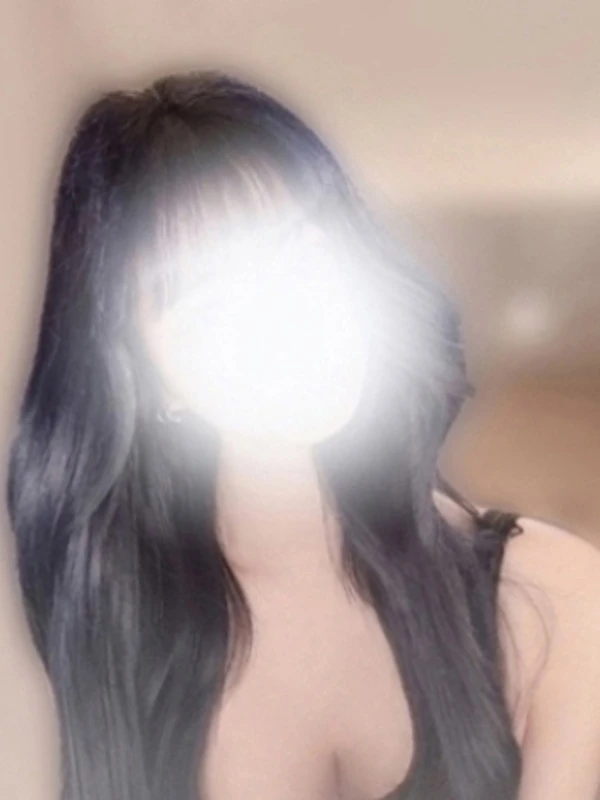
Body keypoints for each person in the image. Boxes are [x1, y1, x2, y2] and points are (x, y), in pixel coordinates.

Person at [5, 70, 600, 800]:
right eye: (209, 299)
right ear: (140, 374)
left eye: (303, 253)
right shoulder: (124, 624)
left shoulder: (556, 598)